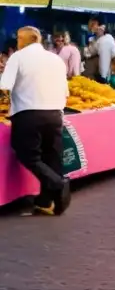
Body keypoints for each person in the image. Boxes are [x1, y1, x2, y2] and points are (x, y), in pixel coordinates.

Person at [0, 27, 71, 216]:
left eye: (18, 38)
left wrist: (3, 108)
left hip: (28, 113)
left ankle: (58, 183)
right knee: (52, 157)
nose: (17, 41)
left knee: (27, 155)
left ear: (25, 39)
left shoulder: (18, 57)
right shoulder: (55, 59)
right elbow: (65, 91)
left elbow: (4, 87)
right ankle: (47, 203)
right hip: (55, 114)